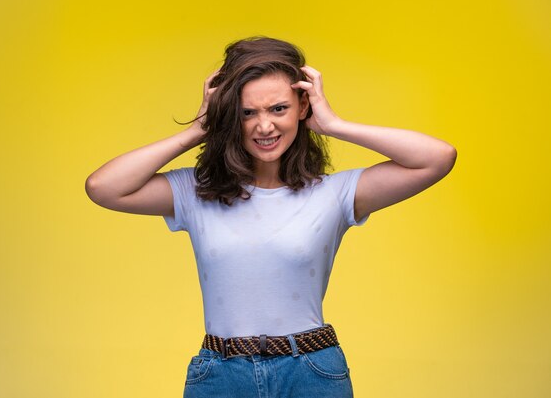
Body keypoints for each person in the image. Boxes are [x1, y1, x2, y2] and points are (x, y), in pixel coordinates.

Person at [84, 36, 457, 398]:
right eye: (247, 113)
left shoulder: (334, 193)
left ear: (302, 107)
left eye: (278, 108)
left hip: (311, 370)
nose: (264, 126)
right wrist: (200, 128)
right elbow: (104, 187)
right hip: (220, 373)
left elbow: (437, 158)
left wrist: (335, 125)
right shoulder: (196, 191)